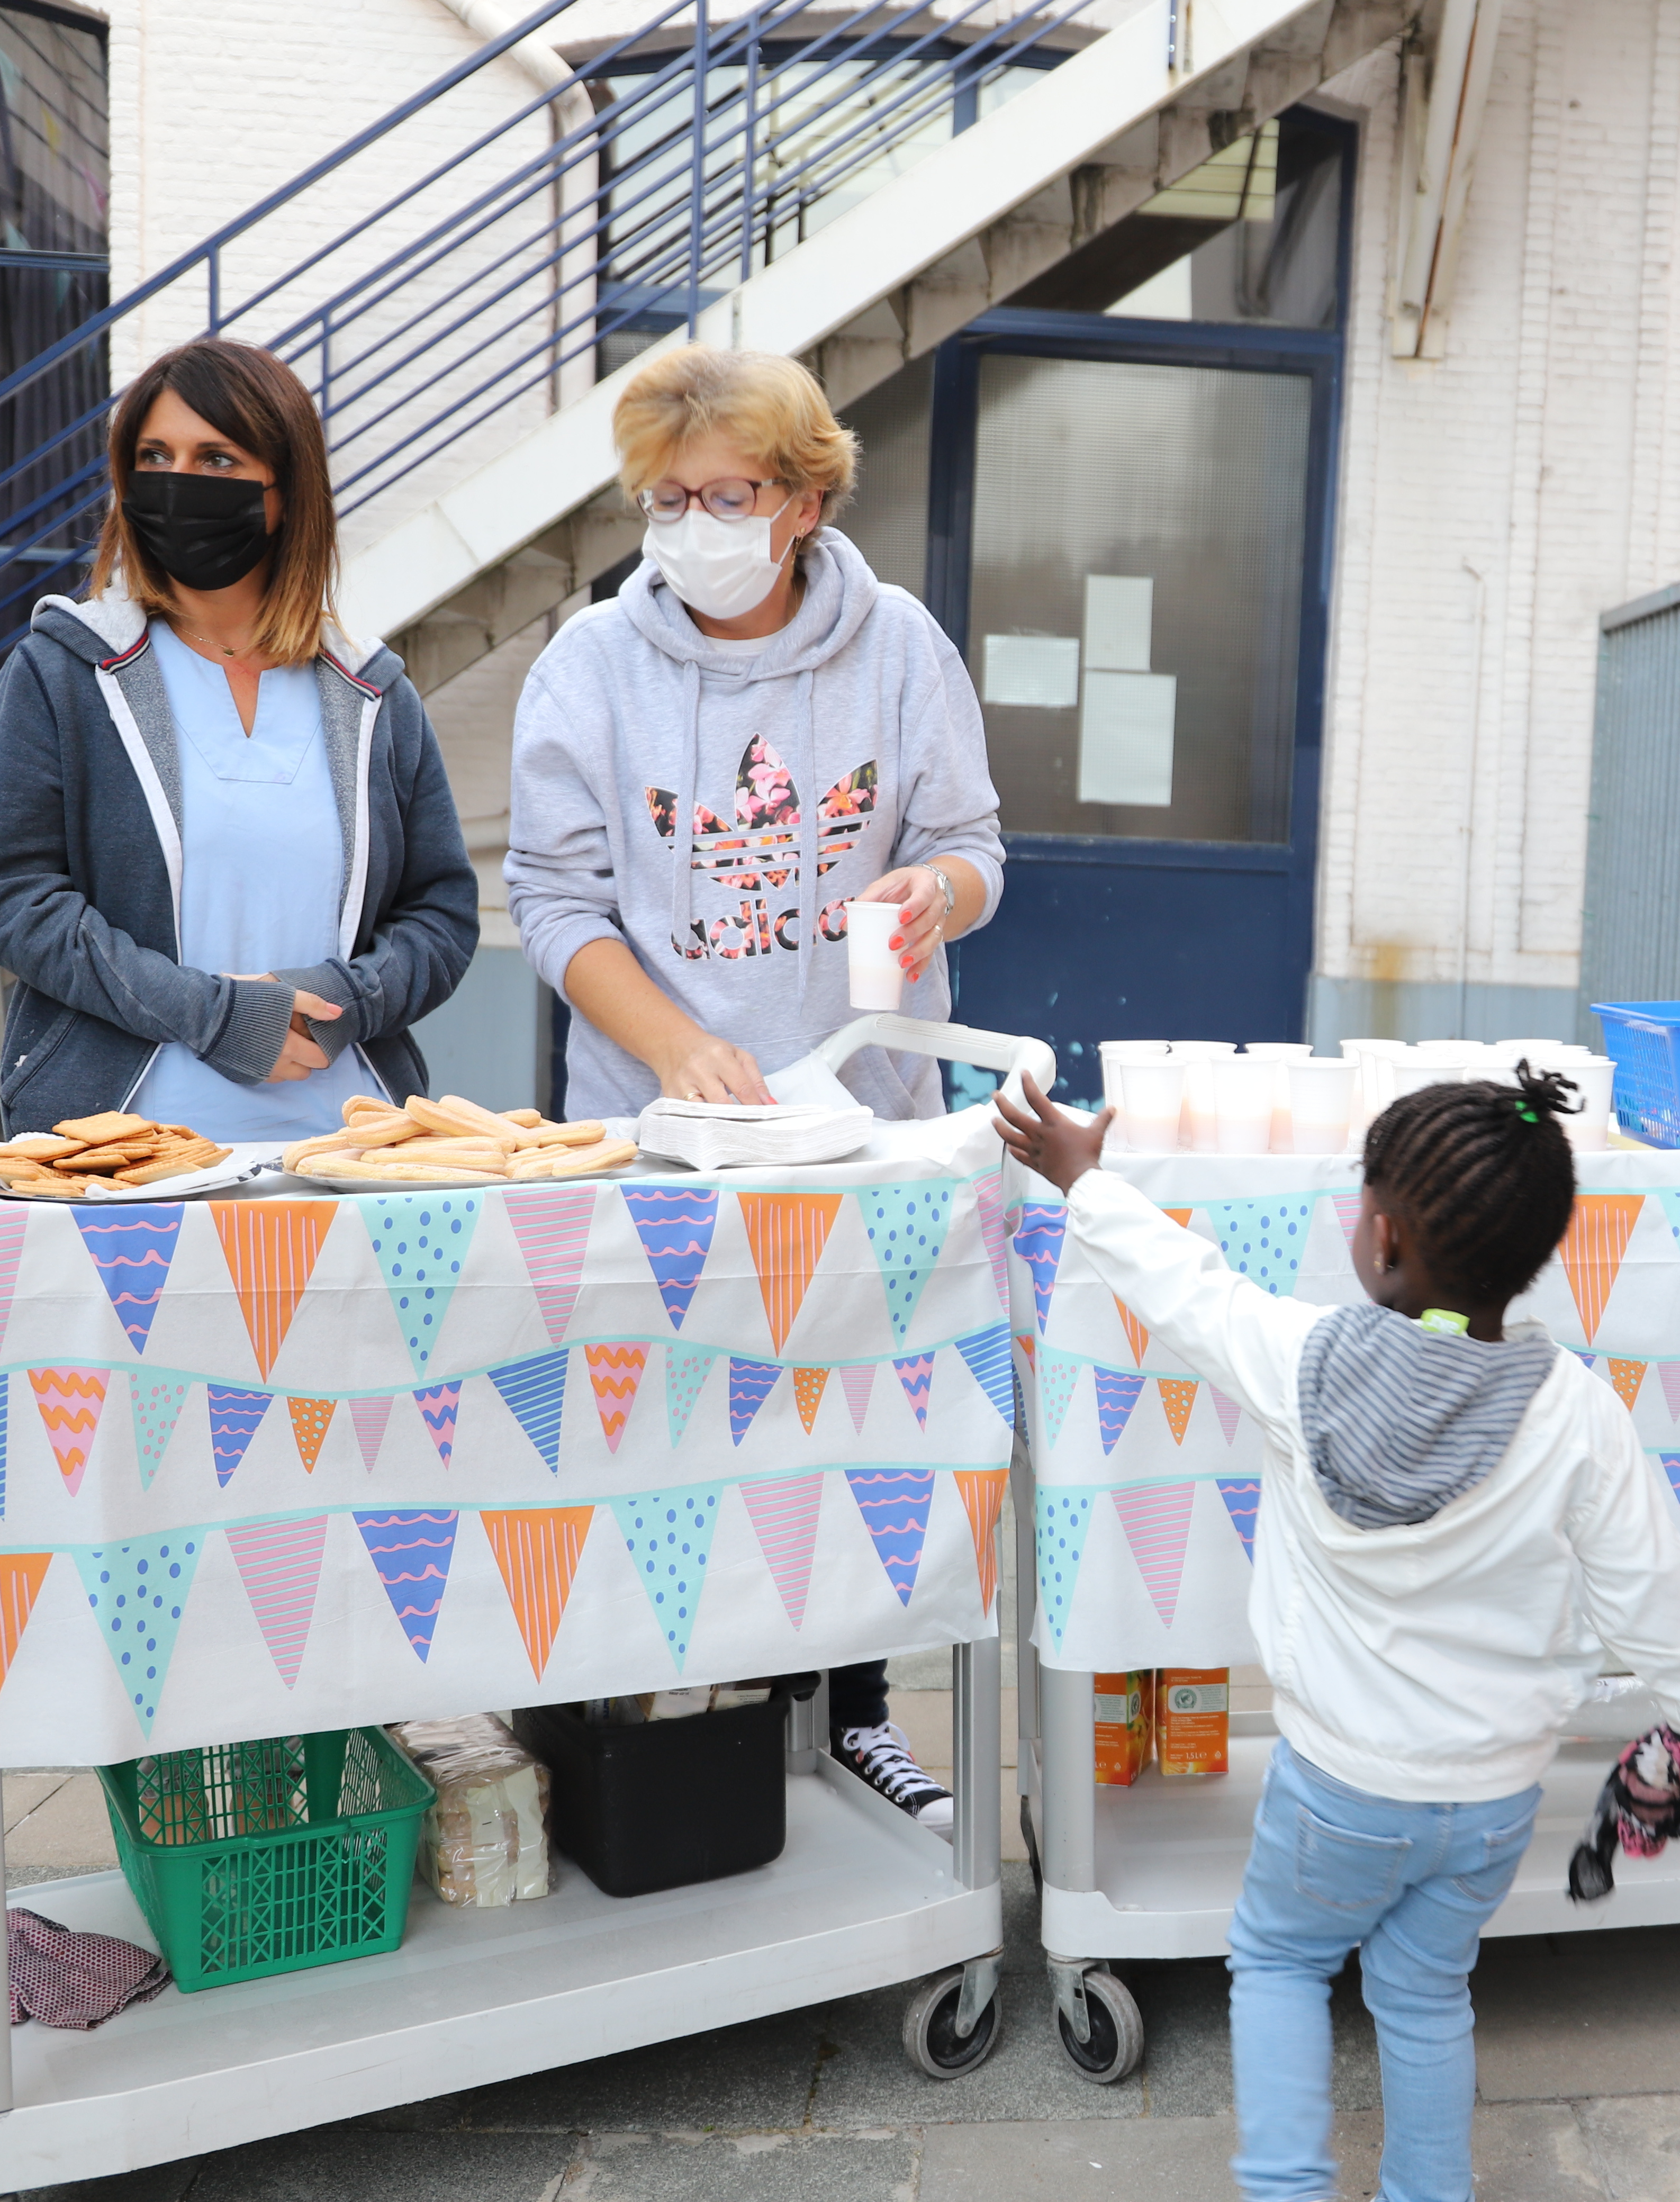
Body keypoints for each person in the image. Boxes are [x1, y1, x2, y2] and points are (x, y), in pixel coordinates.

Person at [995, 1063, 1680, 2202]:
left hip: (1338, 1789)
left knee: (1283, 1963)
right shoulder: (1578, 1415)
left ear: (1385, 1238)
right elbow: (1659, 1590)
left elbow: (1188, 1287)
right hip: (1495, 1799)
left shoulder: (1306, 1365)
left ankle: (1290, 2189)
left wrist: (1085, 1183)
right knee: (1424, 1990)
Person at [507, 344, 1006, 1829]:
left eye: (727, 493)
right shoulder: (591, 666)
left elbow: (978, 848)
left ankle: (854, 1711)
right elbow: (554, 900)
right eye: (668, 498)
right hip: (660, 1127)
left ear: (801, 497)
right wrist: (673, 1046)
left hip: (859, 1121)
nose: (694, 524)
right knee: (670, 1421)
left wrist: (937, 897)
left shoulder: (899, 646)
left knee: (853, 1418)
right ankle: (658, 1725)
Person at [0, 338, 477, 1138]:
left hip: (348, 1152)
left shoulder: (374, 692)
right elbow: (10, 899)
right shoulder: (60, 674)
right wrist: (213, 1015)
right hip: (118, 1155)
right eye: (154, 456)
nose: (180, 483)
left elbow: (439, 915)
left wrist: (342, 1003)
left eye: (217, 460)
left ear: (285, 489)